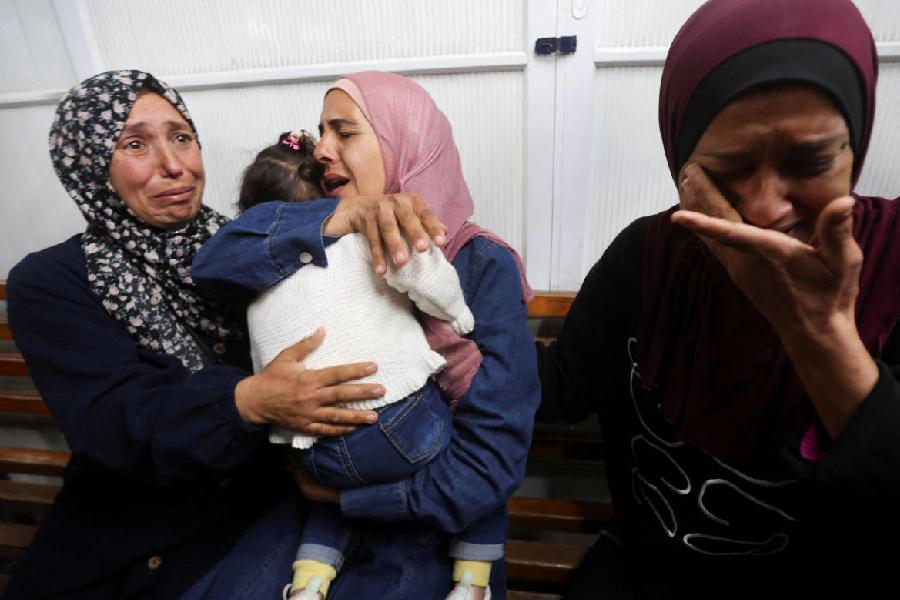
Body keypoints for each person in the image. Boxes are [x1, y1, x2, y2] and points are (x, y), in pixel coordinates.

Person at [3, 70, 447, 599]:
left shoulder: (249, 244)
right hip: (140, 546)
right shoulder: (52, 281)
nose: (175, 165)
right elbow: (112, 424)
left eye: (182, 137)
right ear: (90, 165)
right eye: (136, 144)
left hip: (271, 511)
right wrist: (248, 402)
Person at [536, 0, 899, 597]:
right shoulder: (651, 256)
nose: (765, 208)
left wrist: (820, 337)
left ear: (855, 146)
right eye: (728, 168)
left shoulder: (893, 265)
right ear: (681, 166)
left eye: (809, 161)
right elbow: (560, 385)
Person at [192, 70, 541, 600]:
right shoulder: (318, 244)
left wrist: (345, 499)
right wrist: (345, 214)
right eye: (321, 133)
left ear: (405, 142)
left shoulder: (479, 264)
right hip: (314, 509)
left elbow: (487, 469)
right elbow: (214, 266)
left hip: (433, 526)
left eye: (345, 132)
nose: (321, 152)